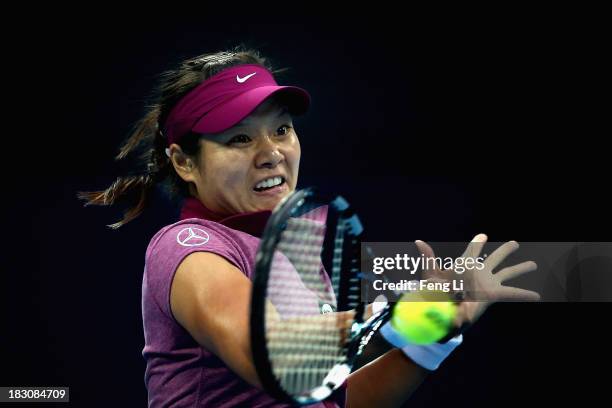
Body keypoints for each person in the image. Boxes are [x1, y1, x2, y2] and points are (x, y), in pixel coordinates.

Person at [79, 46, 540, 407]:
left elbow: (330, 403)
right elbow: (269, 354)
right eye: (239, 138)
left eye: (281, 129)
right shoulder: (187, 248)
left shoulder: (294, 263)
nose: (270, 151)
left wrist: (432, 336)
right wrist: (392, 312)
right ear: (184, 162)